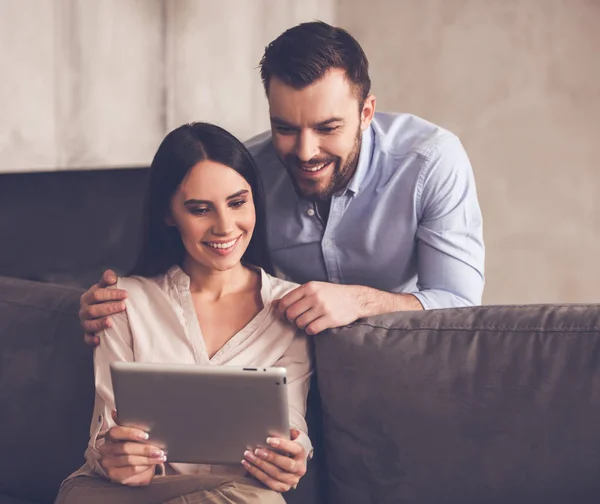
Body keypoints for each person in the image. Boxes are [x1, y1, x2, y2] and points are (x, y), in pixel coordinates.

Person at [79, 21, 485, 343]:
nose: (306, 152)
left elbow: (458, 306)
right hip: (286, 365)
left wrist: (358, 301)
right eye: (285, 128)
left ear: (366, 113)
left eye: (328, 128)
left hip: (402, 358)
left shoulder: (431, 161)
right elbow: (186, 263)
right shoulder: (246, 173)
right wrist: (115, 305)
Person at [56, 123, 312, 504]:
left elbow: (291, 422)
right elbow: (105, 431)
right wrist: (113, 454)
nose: (225, 226)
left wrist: (293, 454)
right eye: (200, 209)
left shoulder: (290, 310)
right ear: (168, 214)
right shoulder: (124, 302)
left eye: (238, 202)